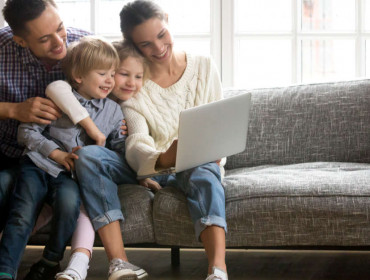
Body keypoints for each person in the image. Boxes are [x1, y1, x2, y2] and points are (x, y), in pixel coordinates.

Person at [119, 1, 228, 280]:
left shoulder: (203, 66)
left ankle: (217, 269)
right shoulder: (133, 84)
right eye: (145, 44)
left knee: (203, 169)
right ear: (133, 45)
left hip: (202, 163)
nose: (158, 48)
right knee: (197, 166)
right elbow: (136, 141)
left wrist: (216, 152)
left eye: (161, 34)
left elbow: (221, 122)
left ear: (166, 19)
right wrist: (165, 157)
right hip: (161, 169)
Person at [51, 40, 157, 280]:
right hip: (87, 169)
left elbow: (124, 149)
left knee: (88, 157)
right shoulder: (80, 97)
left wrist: (143, 173)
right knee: (84, 182)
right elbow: (57, 88)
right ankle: (81, 264)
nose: (130, 82)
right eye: (122, 74)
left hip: (125, 163)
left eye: (138, 76)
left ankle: (89, 263)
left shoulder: (127, 106)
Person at [0, 0, 90, 234]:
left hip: (66, 159)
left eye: (60, 28)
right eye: (44, 39)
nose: (60, 42)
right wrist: (13, 110)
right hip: (8, 152)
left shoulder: (86, 46)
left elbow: (121, 87)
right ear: (20, 40)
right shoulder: (2, 48)